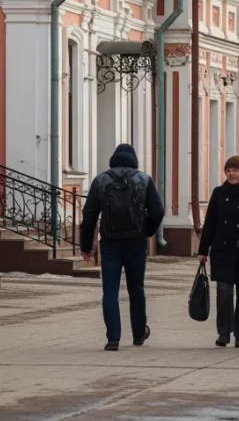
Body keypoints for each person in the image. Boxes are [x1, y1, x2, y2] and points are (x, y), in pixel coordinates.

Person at [79, 143, 164, 351]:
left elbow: (89, 215)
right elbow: (157, 211)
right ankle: (138, 333)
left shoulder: (100, 180)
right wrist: (147, 231)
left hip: (110, 242)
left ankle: (113, 338)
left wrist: (85, 245)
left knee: (110, 291)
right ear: (134, 160)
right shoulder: (144, 179)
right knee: (137, 289)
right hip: (136, 242)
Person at [198, 155, 239, 348]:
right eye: (228, 170)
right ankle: (224, 332)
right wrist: (203, 250)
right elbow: (210, 223)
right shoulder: (219, 193)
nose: (231, 174)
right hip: (222, 250)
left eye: (235, 170)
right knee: (224, 292)